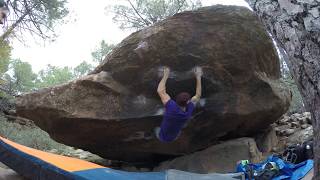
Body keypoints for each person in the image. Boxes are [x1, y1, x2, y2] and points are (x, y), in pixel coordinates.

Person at [155, 66, 202, 142]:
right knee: (176, 125)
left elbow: (160, 91)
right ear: (188, 102)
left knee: (157, 129)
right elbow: (198, 95)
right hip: (174, 137)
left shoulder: (171, 106)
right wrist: (198, 77)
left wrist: (166, 75)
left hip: (161, 136)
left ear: (176, 100)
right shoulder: (187, 113)